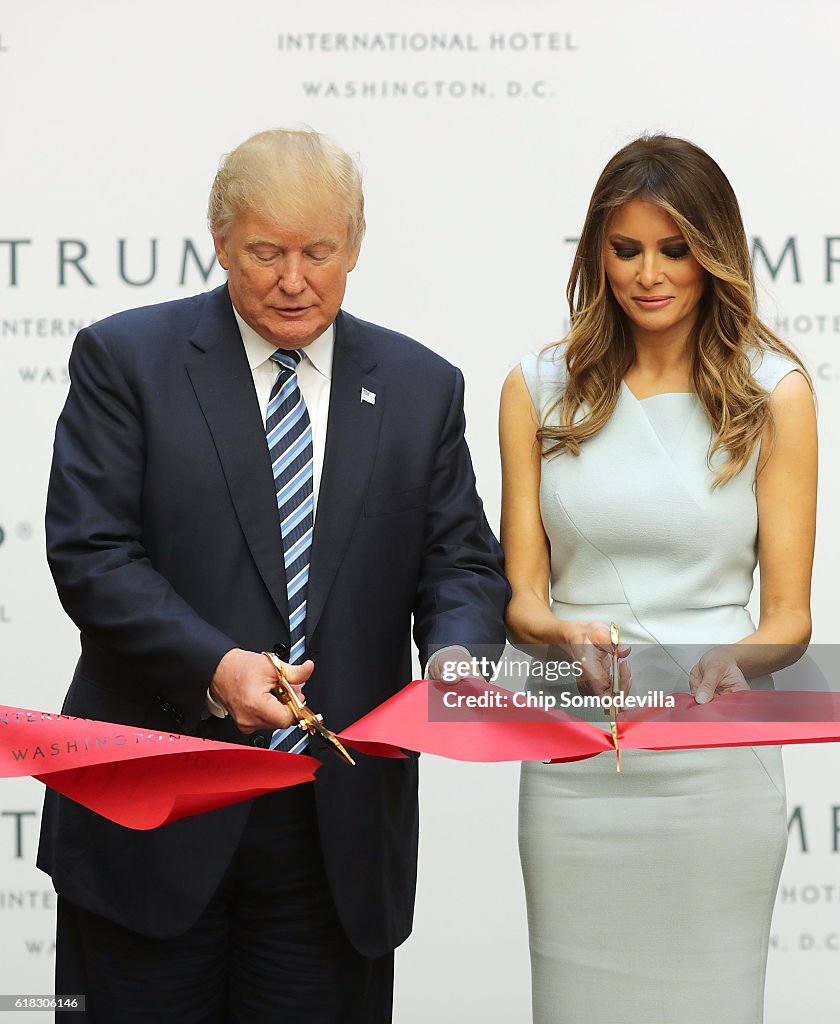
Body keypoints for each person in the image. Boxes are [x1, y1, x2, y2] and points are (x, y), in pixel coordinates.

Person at [39, 127, 509, 1023]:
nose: (294, 279)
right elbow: (91, 553)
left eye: (318, 252)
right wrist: (215, 667)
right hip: (154, 813)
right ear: (220, 243)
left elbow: (459, 563)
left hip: (333, 835)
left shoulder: (419, 387)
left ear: (355, 248)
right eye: (266, 252)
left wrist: (455, 658)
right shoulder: (126, 360)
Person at [499, 134, 816, 1023]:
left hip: (716, 761)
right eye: (626, 248)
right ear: (596, 251)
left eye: (674, 249)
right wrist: (558, 633)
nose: (649, 273)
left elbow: (789, 619)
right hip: (576, 757)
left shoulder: (773, 391)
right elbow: (523, 596)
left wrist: (735, 659)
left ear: (714, 251)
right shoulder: (536, 388)